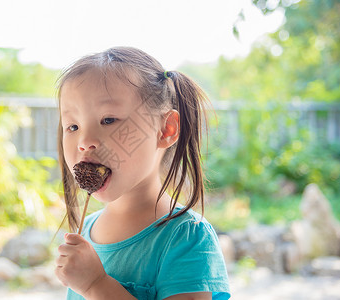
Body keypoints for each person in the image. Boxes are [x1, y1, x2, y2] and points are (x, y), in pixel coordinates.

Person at [55, 47, 230, 300]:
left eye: (108, 120)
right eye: (72, 126)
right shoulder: (85, 233)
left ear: (165, 129)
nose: (84, 141)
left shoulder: (187, 237)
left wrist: (95, 285)